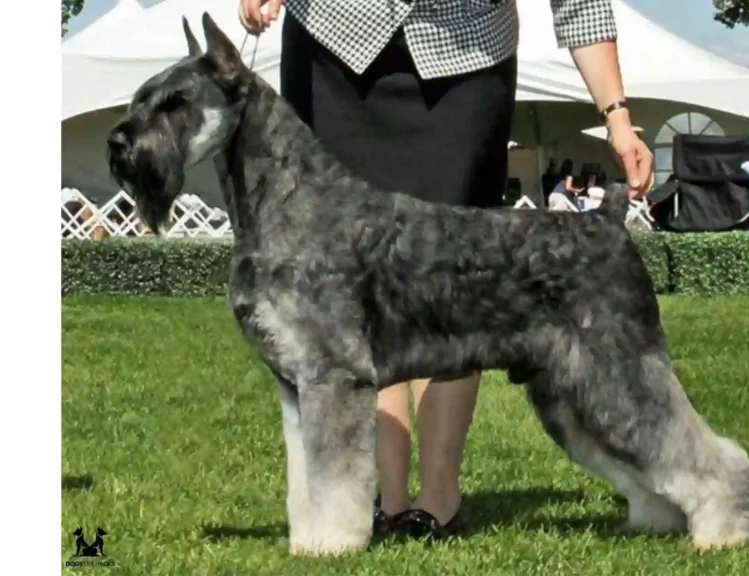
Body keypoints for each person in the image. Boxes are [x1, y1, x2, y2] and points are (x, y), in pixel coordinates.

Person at [239, 0, 654, 539]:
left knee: (460, 285)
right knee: (355, 295)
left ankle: (438, 497)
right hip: (334, 46)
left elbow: (581, 5)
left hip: (465, 55)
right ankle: (377, 501)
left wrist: (616, 116)